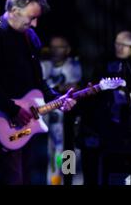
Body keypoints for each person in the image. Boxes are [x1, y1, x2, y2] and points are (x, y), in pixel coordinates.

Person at [0, 0, 77, 185]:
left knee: (29, 177)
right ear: (14, 11)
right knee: (10, 178)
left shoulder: (30, 37)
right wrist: (12, 108)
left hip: (26, 122)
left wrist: (58, 99)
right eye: (31, 18)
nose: (35, 24)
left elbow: (37, 81)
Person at [77, 30, 131, 184]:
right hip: (103, 125)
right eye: (117, 43)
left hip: (130, 129)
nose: (119, 48)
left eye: (124, 45)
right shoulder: (105, 63)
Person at [40, 36, 83, 185]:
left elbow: (72, 87)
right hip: (46, 121)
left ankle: (68, 181)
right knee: (51, 157)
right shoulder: (44, 65)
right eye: (52, 47)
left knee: (67, 153)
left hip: (67, 121)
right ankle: (53, 182)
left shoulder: (73, 65)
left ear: (67, 50)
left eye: (59, 47)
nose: (55, 51)